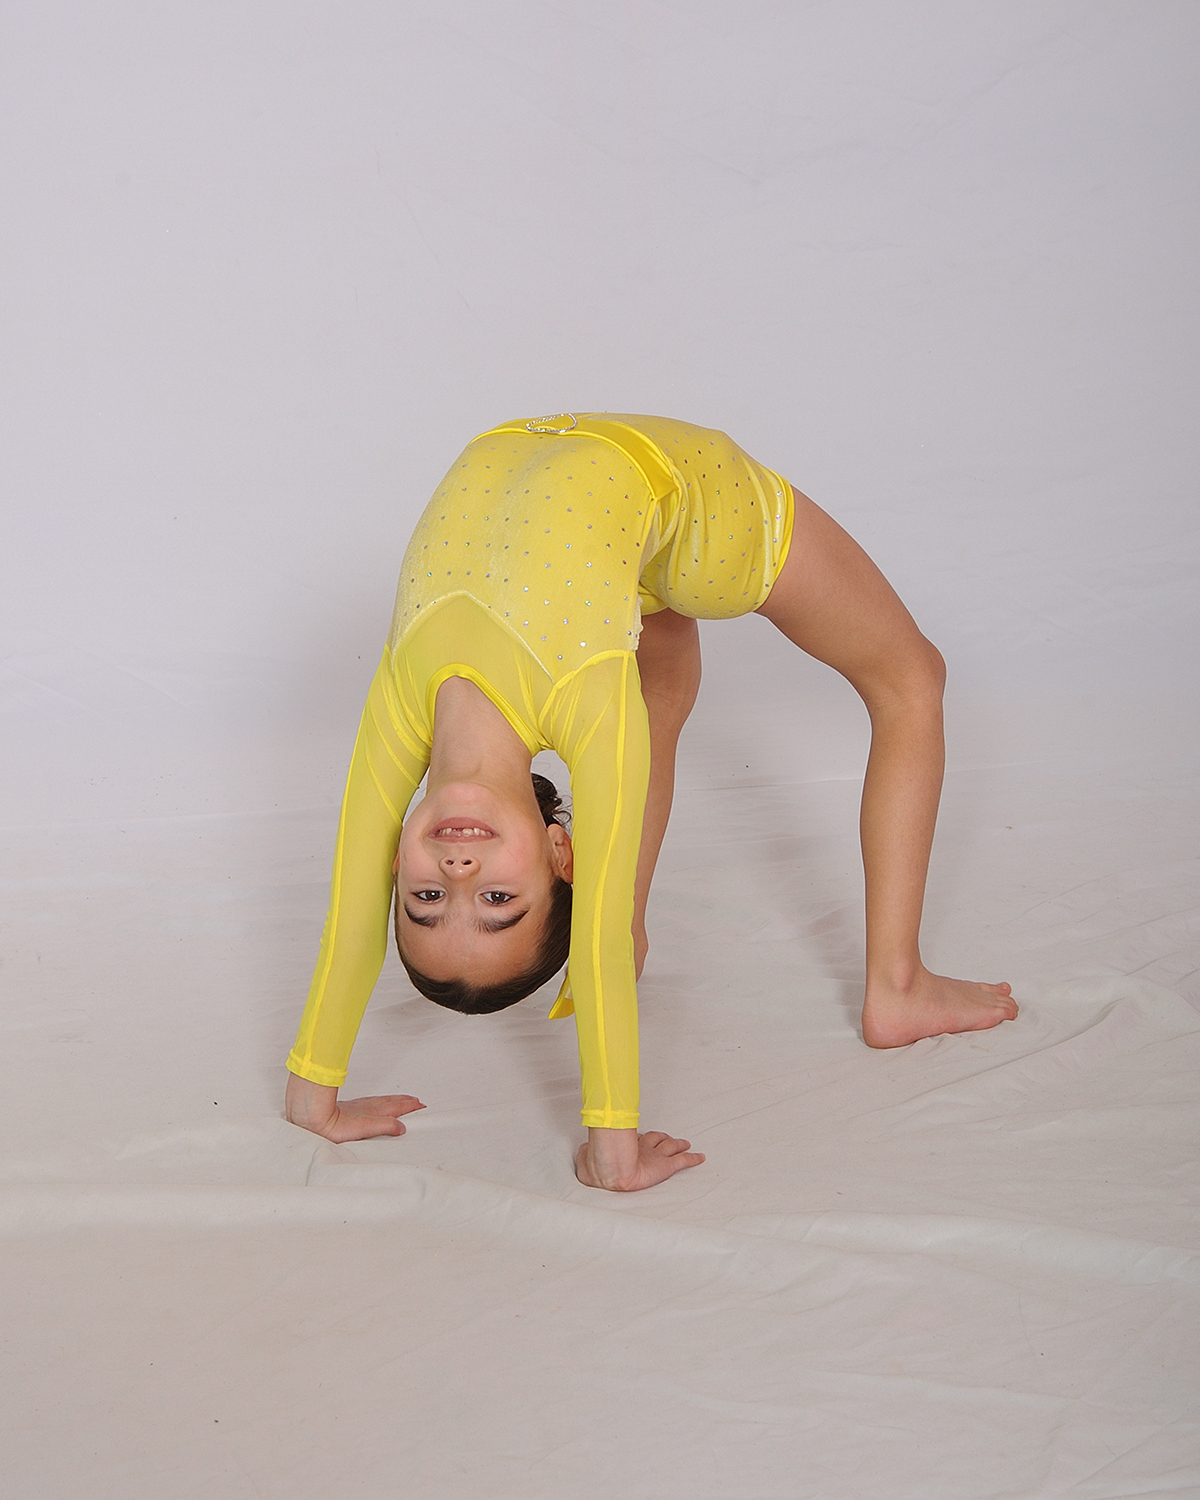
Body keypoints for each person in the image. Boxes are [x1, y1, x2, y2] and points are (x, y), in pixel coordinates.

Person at [284, 412, 1017, 1191]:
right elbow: (592, 940)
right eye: (498, 900)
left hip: (593, 505)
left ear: (397, 862)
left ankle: (640, 926)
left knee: (655, 697)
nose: (459, 873)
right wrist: (613, 1149)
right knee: (912, 677)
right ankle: (897, 990)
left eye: (427, 899)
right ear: (560, 852)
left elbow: (350, 918)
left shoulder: (399, 709)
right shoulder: (586, 697)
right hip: (694, 507)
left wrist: (311, 1097)